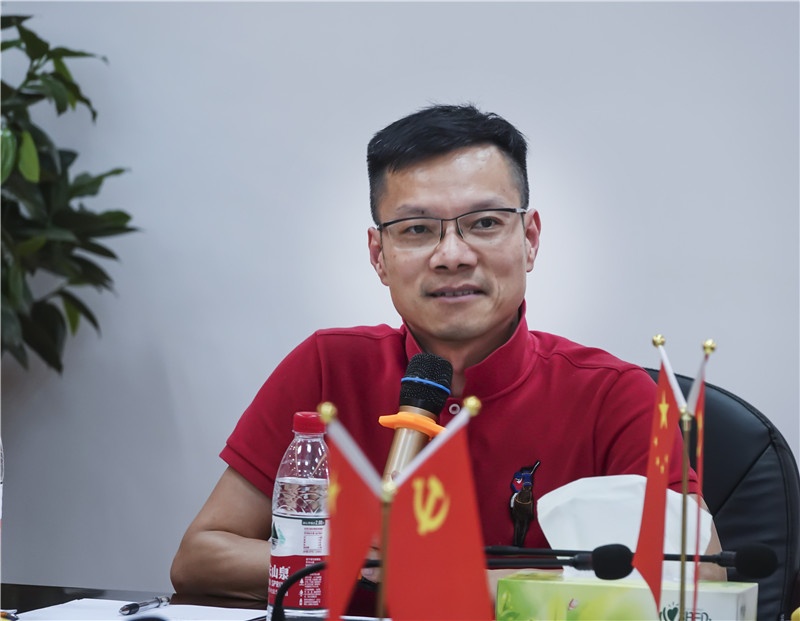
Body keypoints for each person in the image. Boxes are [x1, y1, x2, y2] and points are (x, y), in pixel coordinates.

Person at [170, 104, 724, 604]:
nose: (452, 255)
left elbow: (702, 577)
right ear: (379, 255)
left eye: (484, 223)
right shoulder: (327, 367)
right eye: (417, 229)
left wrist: (433, 574)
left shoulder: (616, 395)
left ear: (530, 239)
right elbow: (200, 556)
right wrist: (352, 559)